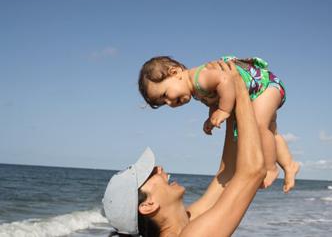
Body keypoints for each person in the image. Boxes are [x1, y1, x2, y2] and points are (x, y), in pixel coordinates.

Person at [103, 60, 267, 236]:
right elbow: (253, 172)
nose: (159, 168)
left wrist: (227, 107)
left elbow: (226, 175)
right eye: (150, 174)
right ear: (147, 205)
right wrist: (240, 88)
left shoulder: (188, 221)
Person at [138, 55, 299, 192]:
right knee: (271, 132)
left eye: (166, 94)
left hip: (264, 86)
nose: (170, 102)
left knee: (259, 127)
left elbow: (224, 80)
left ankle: (270, 168)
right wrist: (213, 116)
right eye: (164, 102)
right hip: (261, 89)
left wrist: (224, 110)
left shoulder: (199, 78)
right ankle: (289, 165)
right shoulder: (196, 90)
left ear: (175, 72)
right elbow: (216, 100)